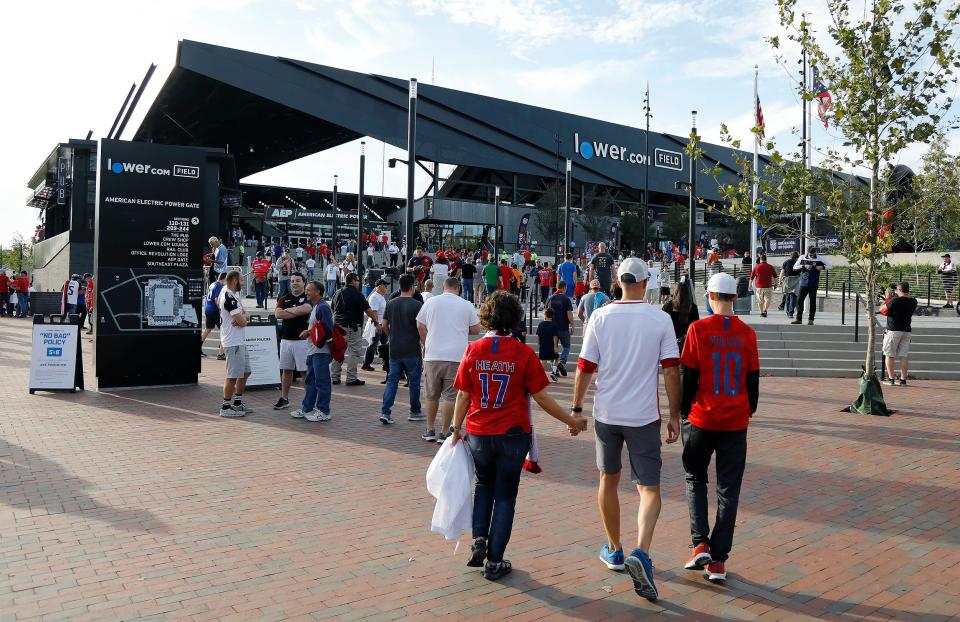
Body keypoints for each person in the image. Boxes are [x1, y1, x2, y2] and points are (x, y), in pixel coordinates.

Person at [450, 291, 588, 581]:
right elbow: (542, 397)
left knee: (484, 484)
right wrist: (571, 419)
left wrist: (455, 428)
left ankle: (479, 540)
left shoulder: (473, 350)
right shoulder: (523, 353)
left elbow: (463, 394)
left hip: (479, 430)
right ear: (515, 318)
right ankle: (495, 560)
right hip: (513, 432)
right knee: (505, 494)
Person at [571, 257, 681, 602]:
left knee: (608, 480)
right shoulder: (660, 319)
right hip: (644, 416)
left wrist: (576, 408)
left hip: (607, 412)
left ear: (617, 282)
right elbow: (671, 371)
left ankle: (615, 549)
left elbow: (585, 367)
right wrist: (675, 414)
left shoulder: (600, 317)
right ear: (646, 282)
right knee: (649, 488)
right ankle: (641, 551)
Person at [679, 272, 760, 584]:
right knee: (728, 490)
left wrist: (684, 411)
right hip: (735, 420)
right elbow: (752, 380)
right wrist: (747, 410)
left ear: (709, 297)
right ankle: (719, 559)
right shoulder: (747, 333)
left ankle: (699, 542)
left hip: (702, 417)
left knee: (695, 478)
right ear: (734, 299)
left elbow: (689, 376)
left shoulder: (697, 329)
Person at [415, 277, 481, 440]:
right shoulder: (466, 304)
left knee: (431, 394)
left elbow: (419, 324)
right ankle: (445, 432)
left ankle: (430, 429)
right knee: (451, 396)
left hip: (433, 354)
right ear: (458, 288)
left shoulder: (431, 302)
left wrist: (425, 339)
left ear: (443, 287)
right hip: (456, 356)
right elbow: (476, 329)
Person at [379, 274, 424, 425]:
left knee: (392, 381)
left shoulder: (390, 303)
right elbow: (421, 327)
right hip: (412, 348)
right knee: (414, 381)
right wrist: (423, 341)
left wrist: (391, 335)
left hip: (395, 348)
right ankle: (415, 410)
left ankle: (385, 411)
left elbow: (384, 325)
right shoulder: (417, 305)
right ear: (412, 286)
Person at [291, 281, 334, 422]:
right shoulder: (318, 307)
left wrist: (309, 332)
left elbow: (328, 329)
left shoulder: (322, 307)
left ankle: (324, 410)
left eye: (309, 290)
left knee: (322, 381)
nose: (307, 292)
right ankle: (307, 408)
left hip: (320, 351)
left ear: (318, 292)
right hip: (314, 350)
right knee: (311, 381)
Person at [331, 273, 380, 386]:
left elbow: (333, 309)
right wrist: (376, 321)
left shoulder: (337, 292)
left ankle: (335, 377)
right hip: (352, 327)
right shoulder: (357, 294)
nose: (358, 283)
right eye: (357, 280)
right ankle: (351, 378)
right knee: (354, 352)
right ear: (353, 281)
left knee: (339, 351)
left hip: (338, 326)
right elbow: (368, 310)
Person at [273, 274, 313, 410]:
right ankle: (284, 398)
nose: (294, 283)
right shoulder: (284, 298)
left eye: (297, 281)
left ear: (304, 282)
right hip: (286, 340)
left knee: (304, 372)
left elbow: (307, 309)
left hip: (302, 341)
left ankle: (309, 401)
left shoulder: (308, 298)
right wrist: (296, 312)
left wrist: (287, 311)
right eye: (292, 281)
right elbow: (278, 314)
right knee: (286, 370)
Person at [217, 270, 252, 417]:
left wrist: (242, 318)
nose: (243, 283)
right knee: (232, 376)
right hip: (233, 342)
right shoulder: (228, 296)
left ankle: (237, 403)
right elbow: (243, 321)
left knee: (245, 371)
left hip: (239, 341)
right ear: (233, 281)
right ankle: (225, 407)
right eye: (241, 281)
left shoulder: (231, 293)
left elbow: (245, 314)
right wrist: (243, 319)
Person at [879, 281, 918, 386]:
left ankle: (891, 379)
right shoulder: (913, 301)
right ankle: (903, 380)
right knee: (903, 356)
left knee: (889, 355)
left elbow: (882, 309)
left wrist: (888, 298)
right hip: (906, 331)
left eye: (896, 289)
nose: (895, 291)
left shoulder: (895, 300)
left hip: (893, 331)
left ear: (899, 290)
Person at [791, 249, 830, 325]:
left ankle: (811, 319)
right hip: (804, 283)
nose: (811, 255)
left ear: (815, 253)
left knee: (812, 302)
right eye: (810, 254)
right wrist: (804, 265)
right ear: (807, 252)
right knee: (799, 301)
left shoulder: (819, 258)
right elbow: (794, 267)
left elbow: (830, 265)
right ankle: (799, 319)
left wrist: (822, 267)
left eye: (813, 254)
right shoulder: (802, 257)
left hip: (814, 283)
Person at [546, 281, 574, 377]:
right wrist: (572, 325)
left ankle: (555, 369)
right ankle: (561, 362)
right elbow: (569, 314)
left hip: (551, 327)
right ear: (564, 288)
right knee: (566, 346)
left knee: (553, 348)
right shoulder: (566, 299)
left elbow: (546, 314)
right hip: (563, 327)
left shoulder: (550, 298)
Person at [662, 277, 700, 350]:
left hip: (671, 343)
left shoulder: (668, 306)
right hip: (688, 344)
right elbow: (696, 325)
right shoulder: (693, 307)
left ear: (675, 292)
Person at [361, 279, 389, 372]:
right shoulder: (375, 297)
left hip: (382, 324)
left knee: (385, 344)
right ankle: (366, 364)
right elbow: (374, 312)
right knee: (373, 344)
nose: (386, 287)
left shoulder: (381, 296)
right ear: (379, 286)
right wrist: (377, 325)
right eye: (385, 286)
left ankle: (385, 363)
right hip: (377, 324)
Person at [201, 272, 227, 359]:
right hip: (215, 310)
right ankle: (220, 353)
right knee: (224, 331)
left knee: (208, 329)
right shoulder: (220, 286)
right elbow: (217, 299)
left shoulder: (213, 284)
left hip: (208, 308)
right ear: (224, 278)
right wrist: (221, 310)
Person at [536, 308, 561, 381]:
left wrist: (539, 343)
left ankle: (540, 375)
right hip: (551, 345)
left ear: (545, 315)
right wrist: (555, 346)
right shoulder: (554, 325)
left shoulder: (541, 324)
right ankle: (553, 372)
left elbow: (538, 335)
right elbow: (555, 336)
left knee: (544, 360)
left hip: (543, 345)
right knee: (556, 358)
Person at [778, 251, 800, 318]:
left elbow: (782, 272)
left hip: (787, 280)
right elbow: (801, 273)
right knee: (793, 297)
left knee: (787, 296)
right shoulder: (798, 263)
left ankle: (788, 312)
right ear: (797, 256)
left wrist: (780, 281)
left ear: (790, 256)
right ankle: (791, 313)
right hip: (796, 280)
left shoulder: (786, 262)